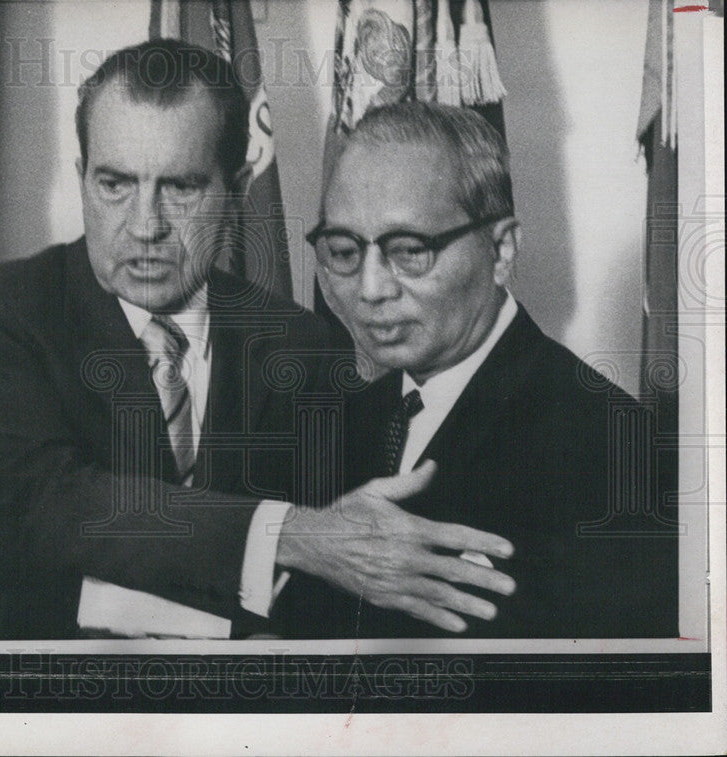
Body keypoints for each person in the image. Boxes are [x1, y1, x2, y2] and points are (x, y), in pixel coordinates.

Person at [0, 41, 516, 640]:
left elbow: (335, 561)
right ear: (81, 176)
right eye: (114, 184)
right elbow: (47, 505)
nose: (144, 226)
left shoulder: (305, 345)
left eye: (180, 187)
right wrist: (288, 535)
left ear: (237, 189)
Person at [274, 102, 678, 638]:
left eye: (410, 250)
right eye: (343, 250)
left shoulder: (614, 449)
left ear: (502, 249)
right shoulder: (335, 424)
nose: (369, 290)